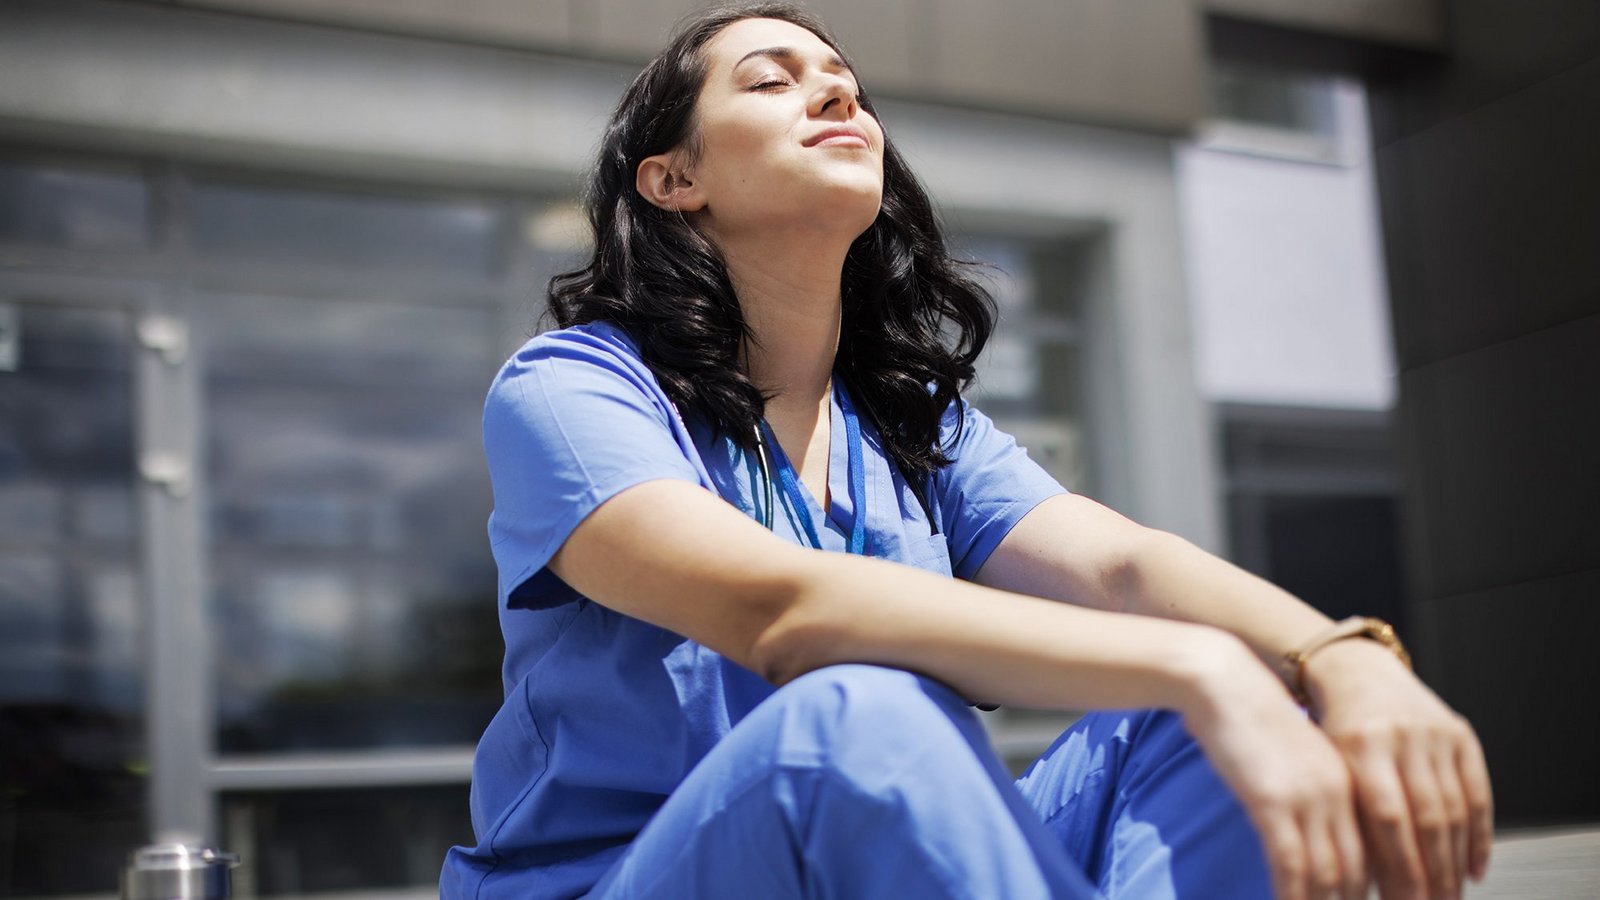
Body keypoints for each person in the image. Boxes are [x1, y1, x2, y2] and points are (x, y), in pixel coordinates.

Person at [440, 4, 1493, 898]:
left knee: (1212, 715)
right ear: (674, 181)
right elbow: (784, 614)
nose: (836, 95)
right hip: (628, 878)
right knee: (854, 714)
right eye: (772, 81)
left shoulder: (907, 429)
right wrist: (1200, 660)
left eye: (847, 83)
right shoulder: (573, 389)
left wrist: (1340, 659)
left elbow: (1121, 566)